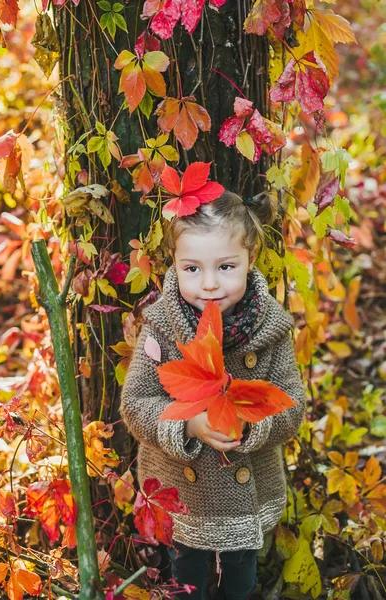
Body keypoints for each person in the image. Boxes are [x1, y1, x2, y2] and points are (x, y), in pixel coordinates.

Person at [121, 191, 306, 600]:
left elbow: (292, 403)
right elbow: (136, 403)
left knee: (241, 579)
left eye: (225, 267)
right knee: (185, 578)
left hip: (246, 488)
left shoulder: (269, 331)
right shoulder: (162, 329)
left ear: (250, 259)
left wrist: (253, 423)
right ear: (174, 264)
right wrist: (187, 423)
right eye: (192, 268)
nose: (208, 284)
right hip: (183, 490)